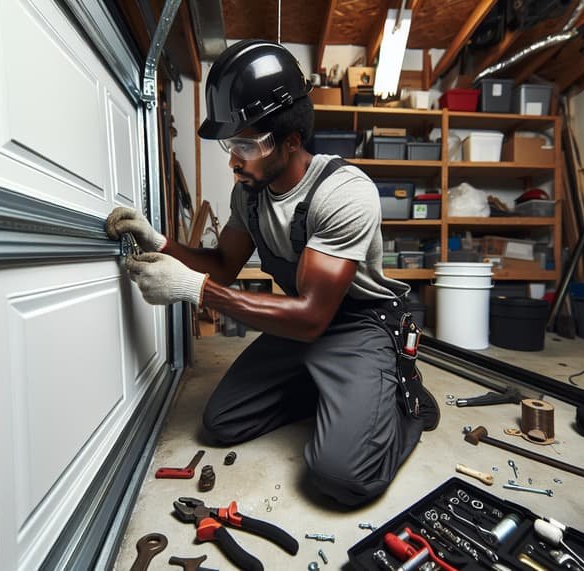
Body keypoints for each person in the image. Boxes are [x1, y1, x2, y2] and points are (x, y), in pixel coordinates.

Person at [106, 39, 438, 507]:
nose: (233, 160)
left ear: (291, 142)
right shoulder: (250, 194)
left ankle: (402, 403)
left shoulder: (342, 193)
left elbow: (313, 317)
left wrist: (192, 290)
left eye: (246, 144)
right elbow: (222, 267)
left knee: (340, 476)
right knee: (222, 423)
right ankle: (334, 394)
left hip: (356, 324)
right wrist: (161, 243)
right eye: (230, 143)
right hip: (300, 322)